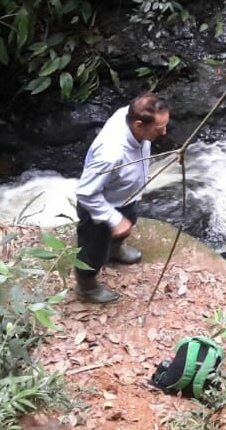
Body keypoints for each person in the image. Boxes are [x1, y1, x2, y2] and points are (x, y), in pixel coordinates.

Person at [71, 94, 171, 303]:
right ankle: (86, 287)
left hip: (124, 195)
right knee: (93, 251)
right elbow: (85, 192)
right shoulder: (111, 153)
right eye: (158, 128)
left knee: (130, 220)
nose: (164, 133)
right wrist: (114, 219)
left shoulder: (129, 116)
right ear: (138, 125)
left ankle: (115, 250)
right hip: (100, 205)